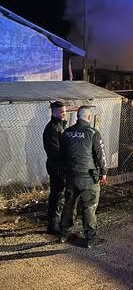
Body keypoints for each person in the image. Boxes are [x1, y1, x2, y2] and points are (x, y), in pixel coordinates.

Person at [59, 106, 107, 249]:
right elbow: (100, 155)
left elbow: (62, 154)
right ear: (90, 118)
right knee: (89, 207)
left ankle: (64, 234)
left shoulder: (67, 132)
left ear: (77, 117)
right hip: (88, 178)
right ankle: (91, 238)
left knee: (69, 205)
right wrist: (104, 172)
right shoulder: (93, 133)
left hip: (71, 176)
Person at [42, 101, 67, 235]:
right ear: (53, 113)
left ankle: (54, 220)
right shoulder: (52, 129)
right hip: (57, 166)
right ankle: (53, 224)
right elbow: (55, 152)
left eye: (64, 111)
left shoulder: (60, 126)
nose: (64, 114)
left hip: (58, 165)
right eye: (61, 112)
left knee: (58, 194)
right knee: (58, 195)